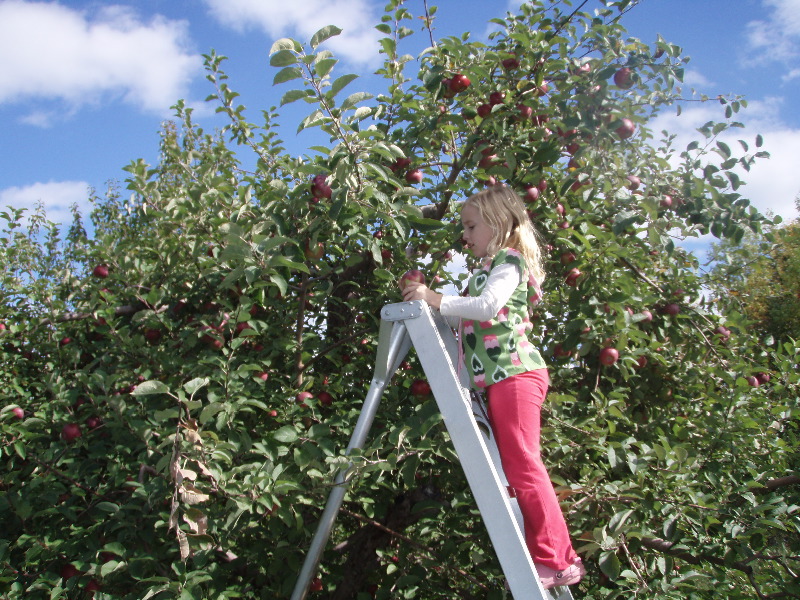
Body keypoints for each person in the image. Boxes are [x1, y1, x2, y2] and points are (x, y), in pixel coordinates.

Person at [401, 185, 585, 590]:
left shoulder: (509, 262)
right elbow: (464, 320)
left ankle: (558, 560)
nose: (464, 236)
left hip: (516, 375)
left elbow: (487, 308)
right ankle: (553, 555)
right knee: (516, 468)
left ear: (499, 223)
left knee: (524, 464)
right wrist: (424, 304)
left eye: (470, 226)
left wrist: (433, 296)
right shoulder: (483, 271)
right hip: (499, 380)